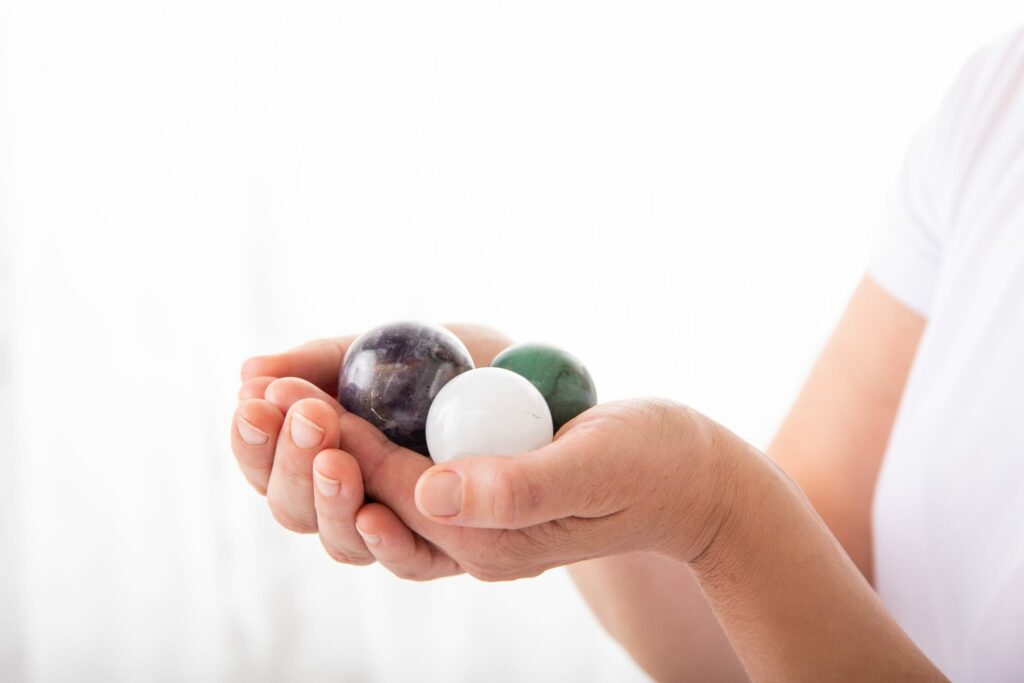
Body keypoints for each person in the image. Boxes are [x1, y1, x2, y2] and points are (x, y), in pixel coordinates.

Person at [230, 27, 1024, 682]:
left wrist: (716, 508)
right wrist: (600, 496)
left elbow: (748, 533)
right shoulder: (994, 106)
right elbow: (767, 630)